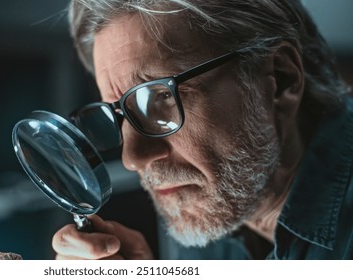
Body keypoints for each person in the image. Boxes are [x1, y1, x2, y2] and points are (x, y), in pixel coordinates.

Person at [52, 0, 353, 259]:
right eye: (119, 115)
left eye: (161, 98)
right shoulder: (206, 207)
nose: (133, 158)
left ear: (280, 79)